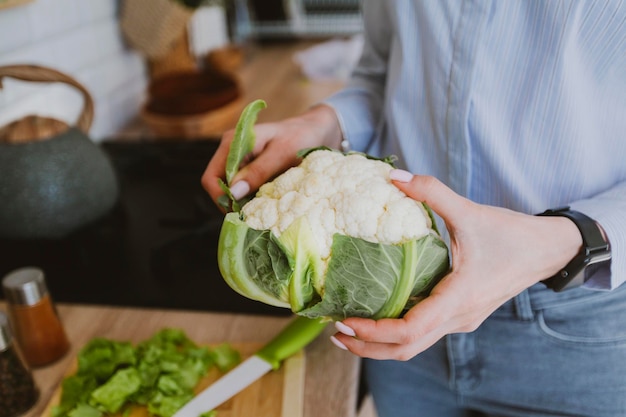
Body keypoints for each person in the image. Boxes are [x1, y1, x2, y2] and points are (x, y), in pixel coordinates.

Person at [203, 2, 626, 416]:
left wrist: (557, 243)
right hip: (394, 316)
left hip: (576, 325)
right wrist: (328, 121)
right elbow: (383, 71)